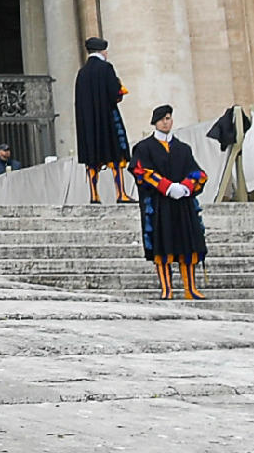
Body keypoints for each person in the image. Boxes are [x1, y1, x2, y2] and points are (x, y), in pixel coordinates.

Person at [130, 106, 208, 300]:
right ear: (155, 122)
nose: (166, 122)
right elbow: (140, 171)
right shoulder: (144, 148)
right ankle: (167, 289)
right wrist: (166, 187)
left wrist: (186, 187)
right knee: (162, 244)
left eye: (168, 118)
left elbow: (198, 173)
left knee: (188, 244)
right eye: (162, 119)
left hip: (183, 204)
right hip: (159, 205)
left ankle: (190, 288)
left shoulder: (183, 148)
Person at [74, 37, 132, 204]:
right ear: (102, 51)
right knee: (116, 155)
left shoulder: (82, 72)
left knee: (92, 158)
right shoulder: (106, 68)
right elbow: (115, 94)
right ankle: (121, 194)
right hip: (107, 120)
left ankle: (94, 195)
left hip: (88, 124)